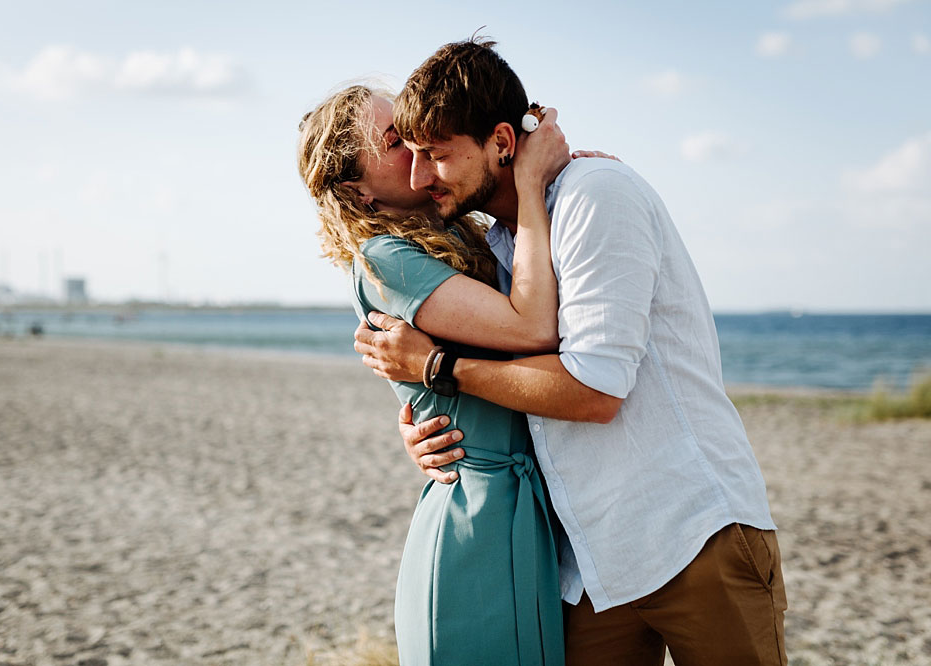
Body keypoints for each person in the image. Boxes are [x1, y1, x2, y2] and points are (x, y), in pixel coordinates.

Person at [353, 39, 788, 665]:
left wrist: (436, 368)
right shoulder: (503, 240)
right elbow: (512, 376)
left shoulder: (593, 196)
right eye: (412, 154)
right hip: (586, 562)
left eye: (438, 155)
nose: (421, 176)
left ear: (502, 142)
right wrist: (424, 425)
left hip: (694, 534)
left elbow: (594, 391)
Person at [297, 84, 606, 664]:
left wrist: (569, 175)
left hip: (525, 512)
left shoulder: (459, 232)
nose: (418, 146)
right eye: (395, 141)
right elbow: (532, 329)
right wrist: (535, 186)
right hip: (476, 520)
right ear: (355, 190)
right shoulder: (387, 260)